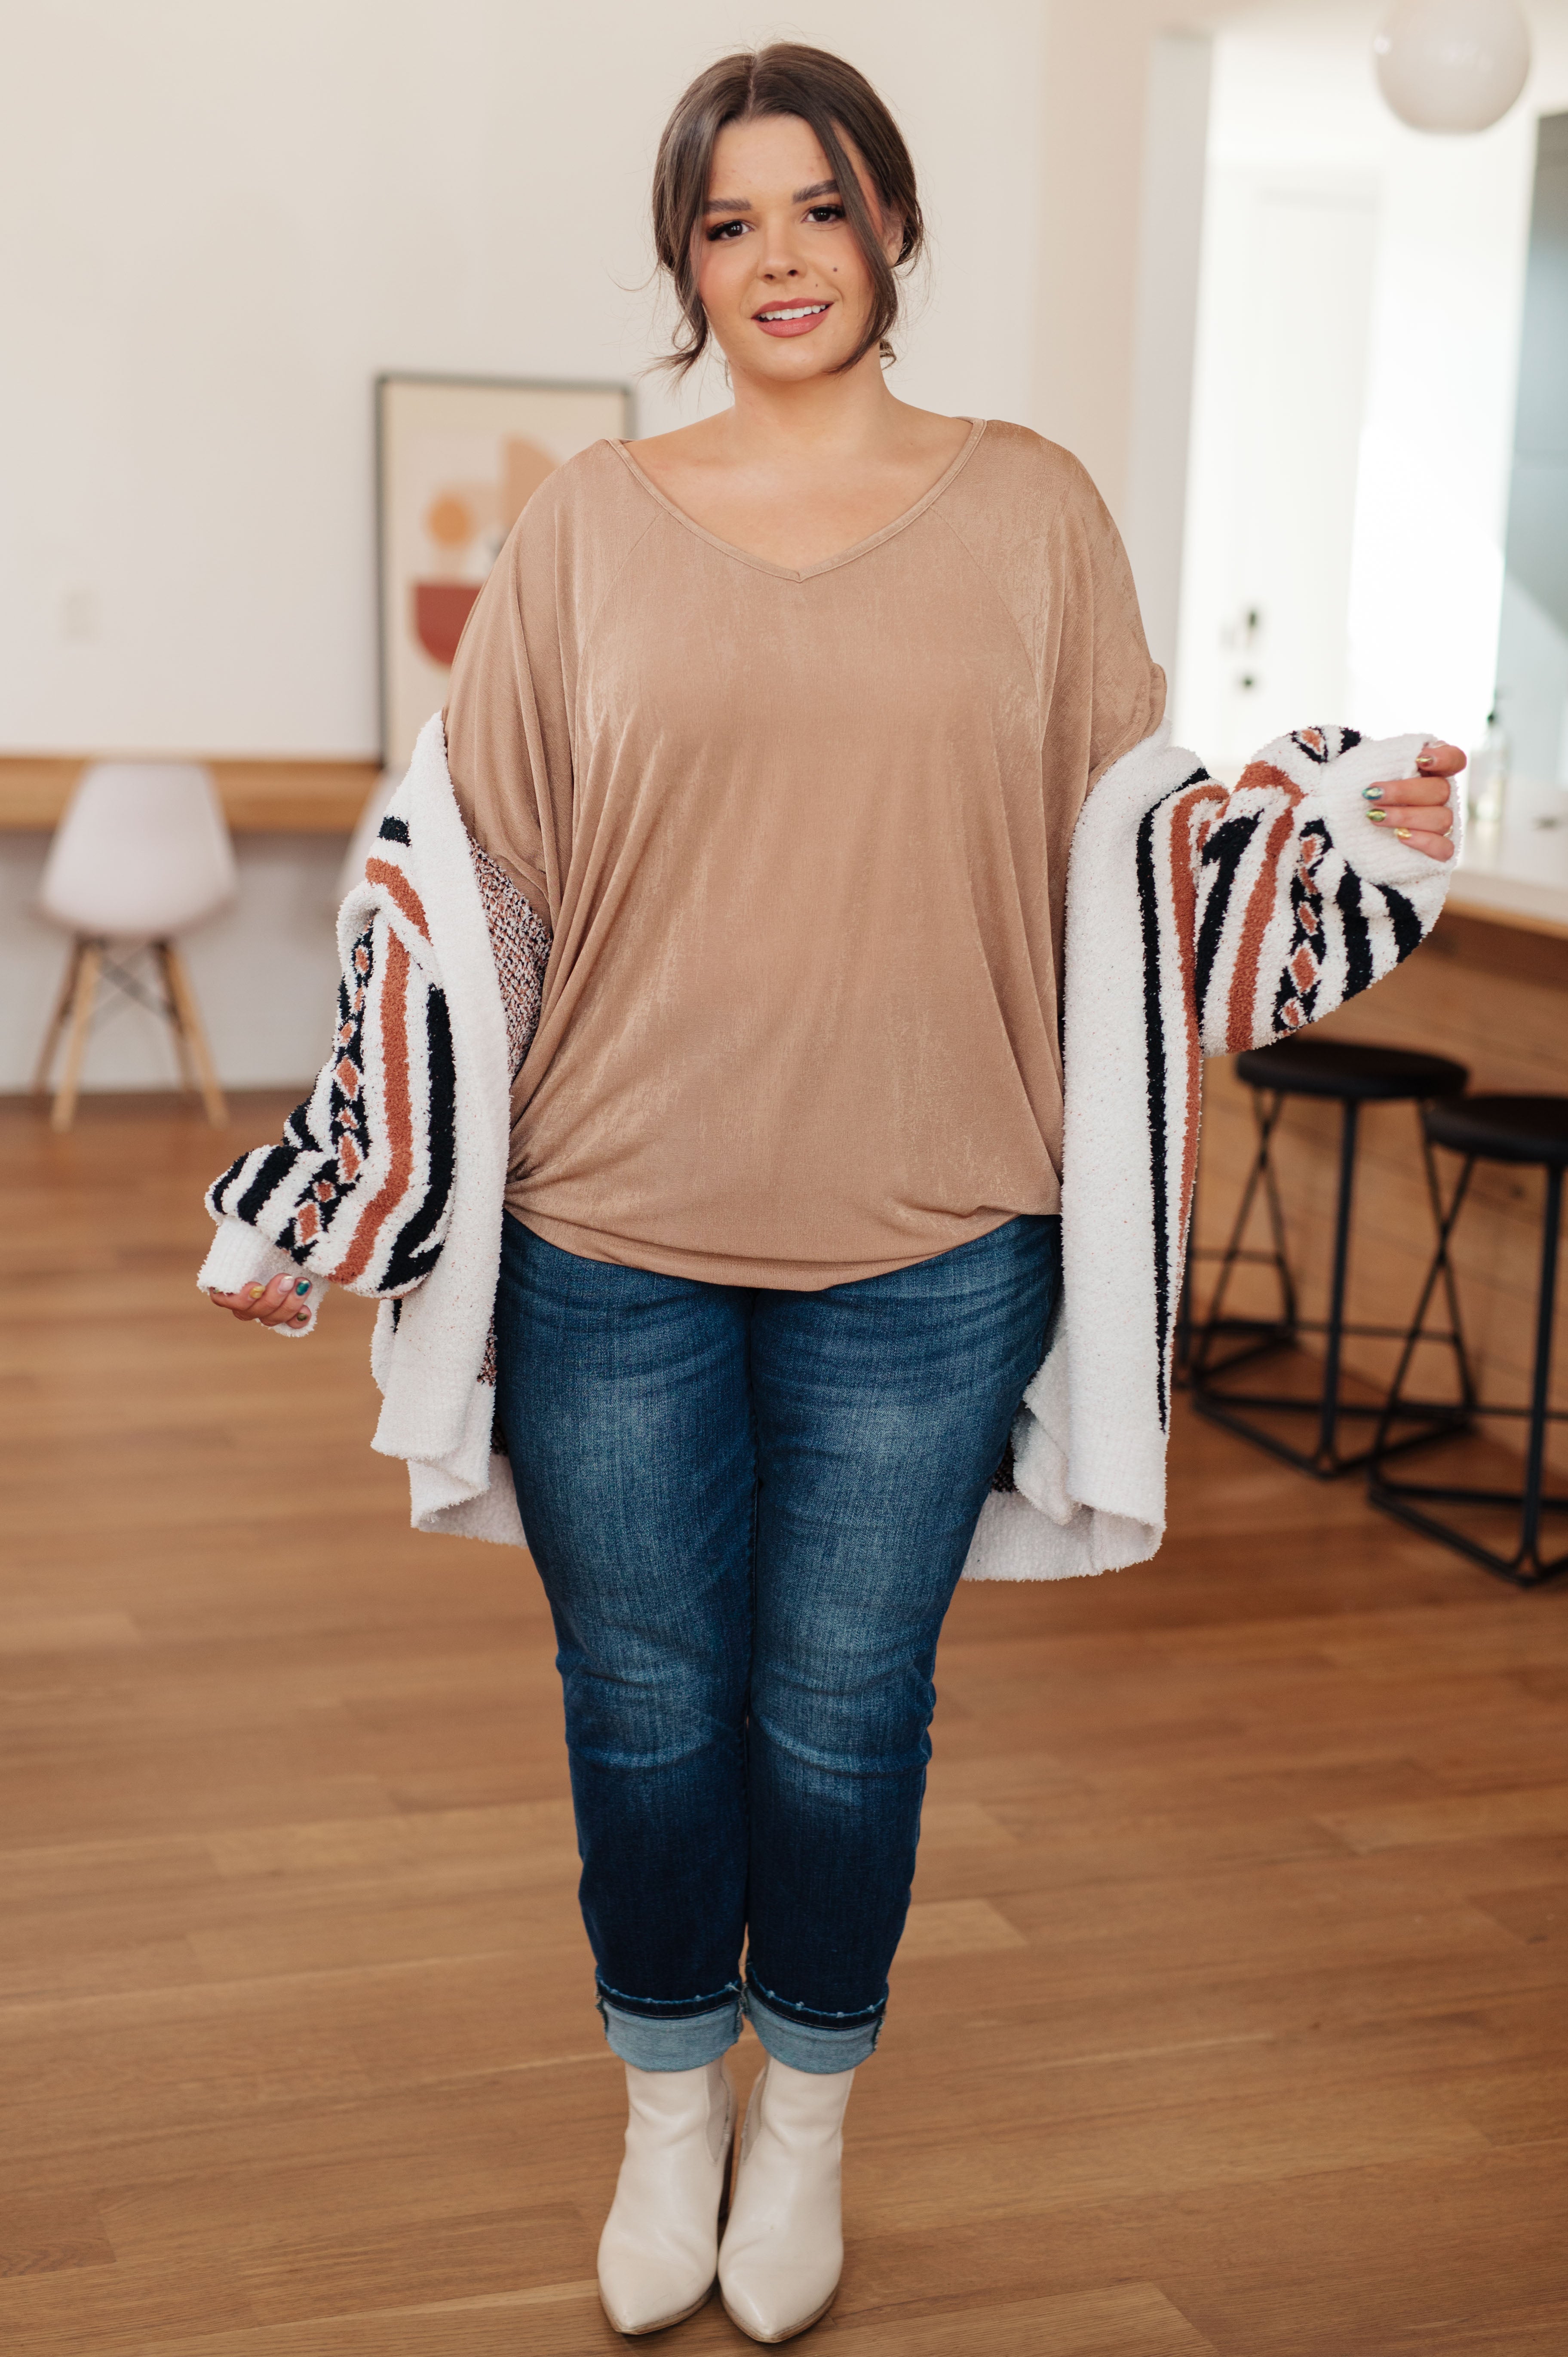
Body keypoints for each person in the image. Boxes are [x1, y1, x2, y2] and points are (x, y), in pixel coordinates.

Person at [202, 43, 1461, 2347]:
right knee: (651, 1710)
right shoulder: (583, 524)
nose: (779, 257)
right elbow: (462, 895)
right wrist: (338, 1181)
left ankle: (809, 2126)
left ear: (891, 220)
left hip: (939, 1241)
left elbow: (1138, 858)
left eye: (819, 205)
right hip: (608, 1237)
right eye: (728, 221)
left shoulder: (1039, 514)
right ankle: (669, 2106)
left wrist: (1346, 827)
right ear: (686, 262)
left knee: (840, 1719)